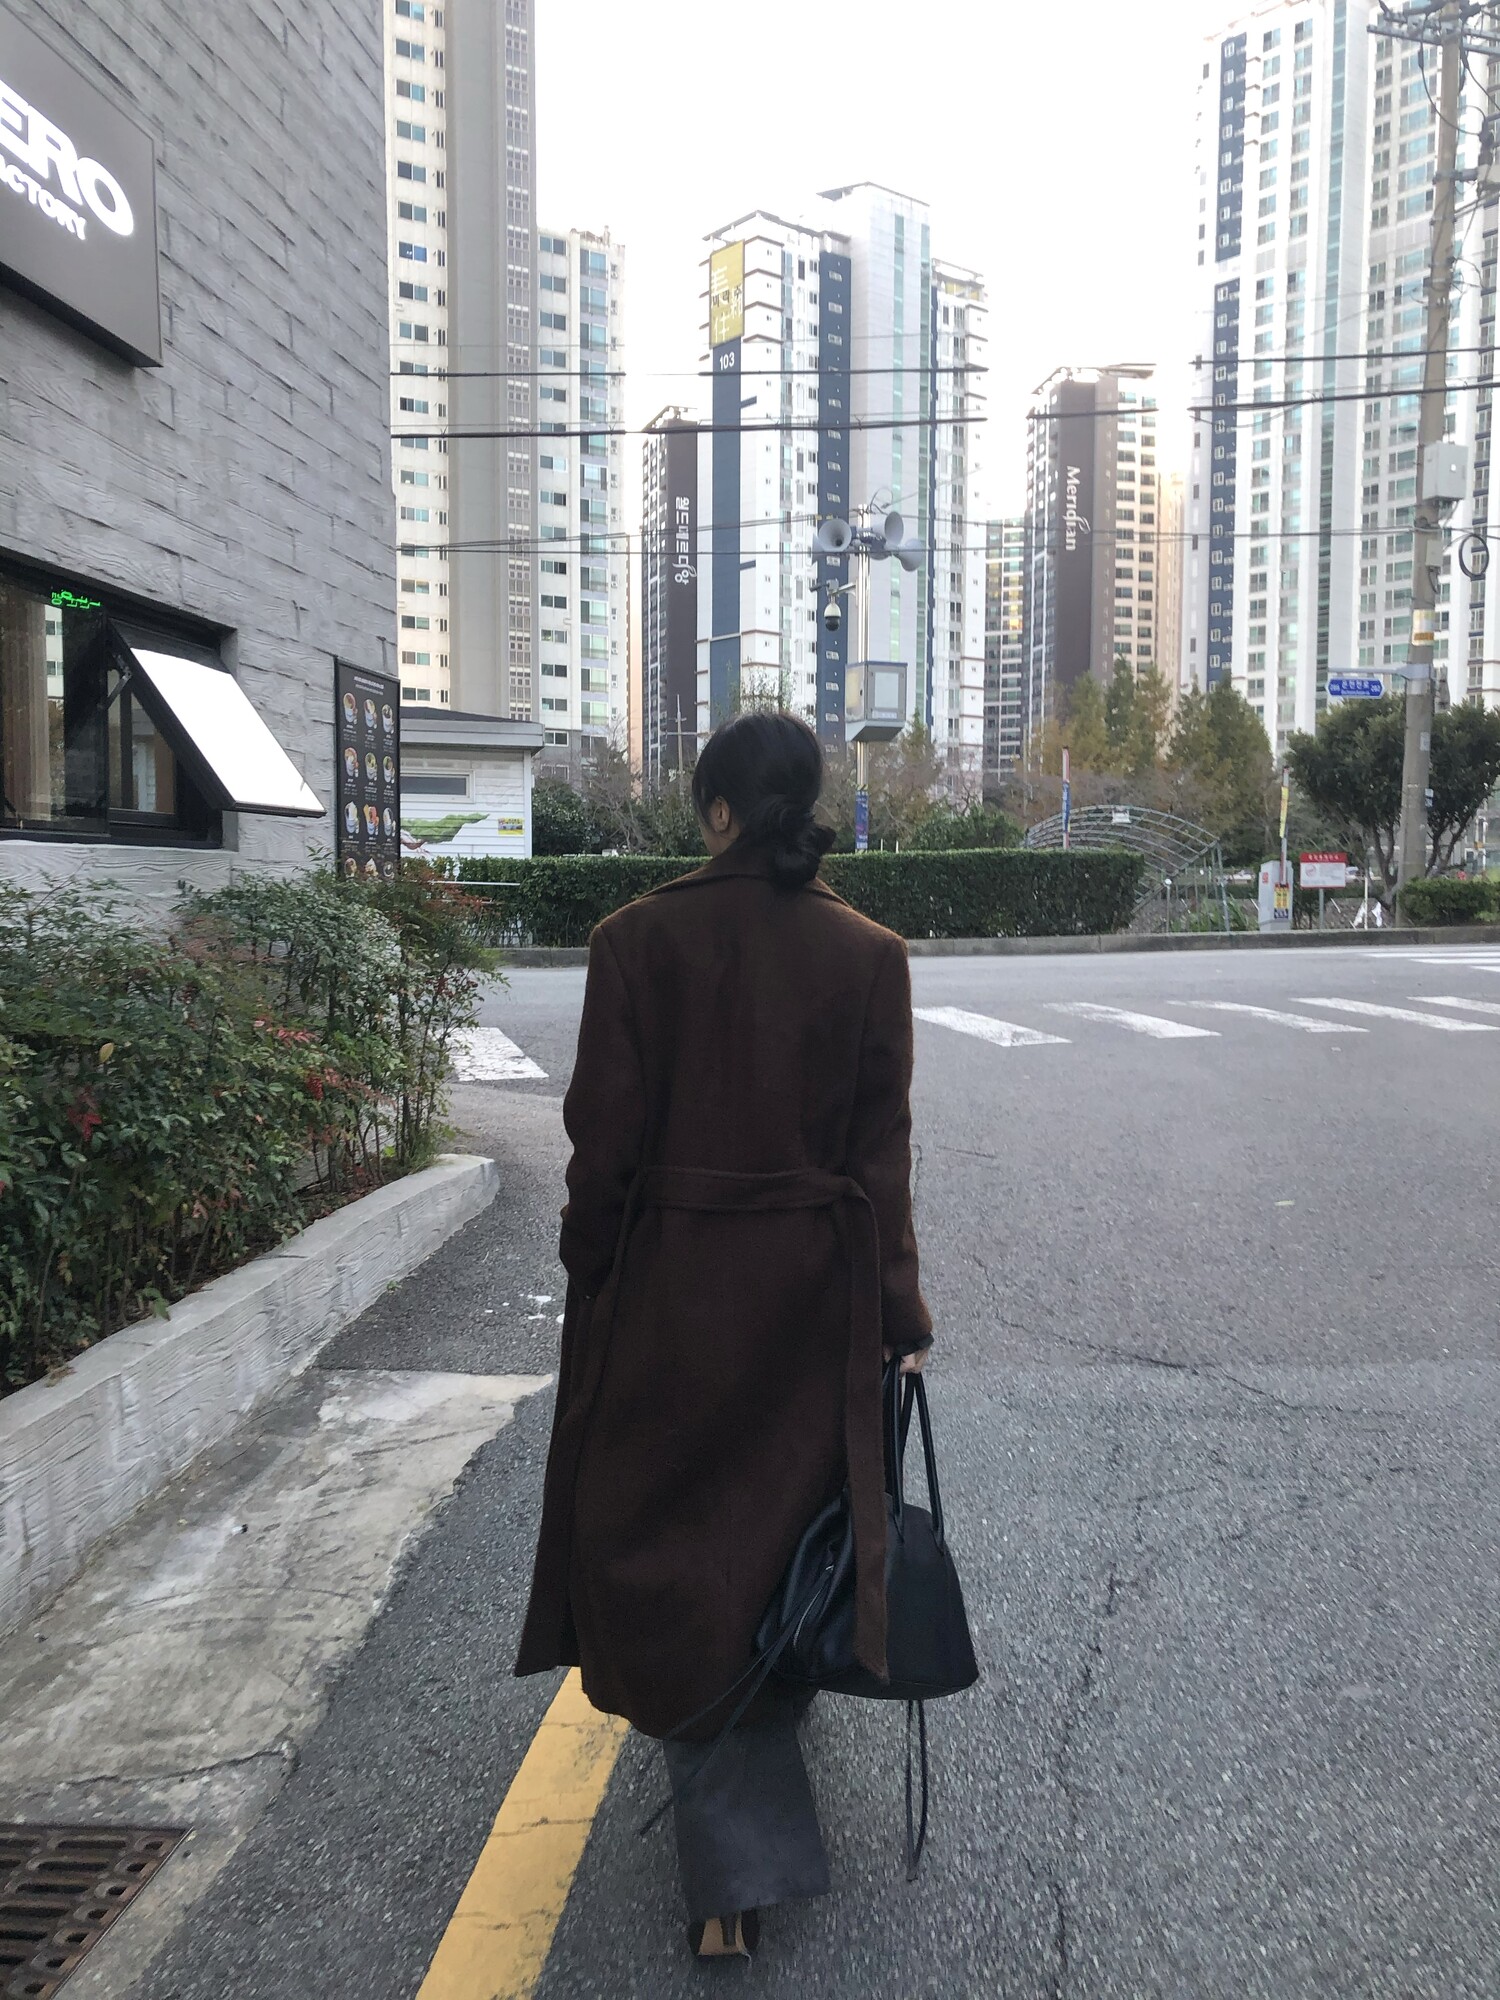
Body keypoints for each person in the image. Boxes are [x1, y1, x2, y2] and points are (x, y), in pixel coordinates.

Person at [514, 710, 932, 1960]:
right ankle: (744, 1819)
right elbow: (881, 1160)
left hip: (671, 1290)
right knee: (788, 1532)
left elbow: (603, 1147)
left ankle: (728, 1876)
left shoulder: (633, 940)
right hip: (812, 1296)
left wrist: (594, 1268)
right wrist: (899, 1314)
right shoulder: (870, 953)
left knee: (675, 1543)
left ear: (715, 811)